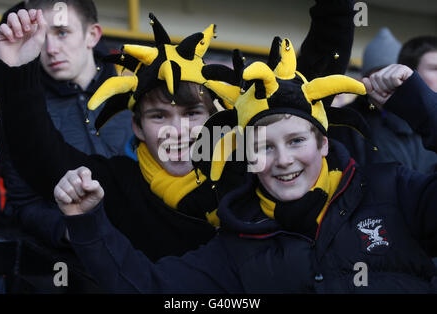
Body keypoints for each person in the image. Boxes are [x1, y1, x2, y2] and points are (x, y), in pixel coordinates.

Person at [55, 41, 437, 293]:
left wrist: (422, 106)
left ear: (323, 143)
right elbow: (149, 288)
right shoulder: (236, 246)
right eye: (263, 147)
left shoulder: (392, 191)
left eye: (296, 141)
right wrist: (86, 220)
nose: (283, 160)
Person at [0, 1, 359, 261]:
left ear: (216, 114)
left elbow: (309, 84)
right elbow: (40, 156)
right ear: (136, 126)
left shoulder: (247, 162)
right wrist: (18, 70)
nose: (178, 131)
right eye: (158, 117)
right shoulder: (120, 184)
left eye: (192, 112)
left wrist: (336, 8)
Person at [0, 0, 134, 247]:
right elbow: (22, 203)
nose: (51, 48)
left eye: (61, 33)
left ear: (92, 35)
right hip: (61, 264)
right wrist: (71, 230)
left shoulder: (136, 99)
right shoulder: (19, 111)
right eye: (41, 36)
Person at [327, 28, 437, 173]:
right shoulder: (346, 122)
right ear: (365, 78)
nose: (386, 80)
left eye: (394, 73)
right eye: (379, 74)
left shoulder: (420, 119)